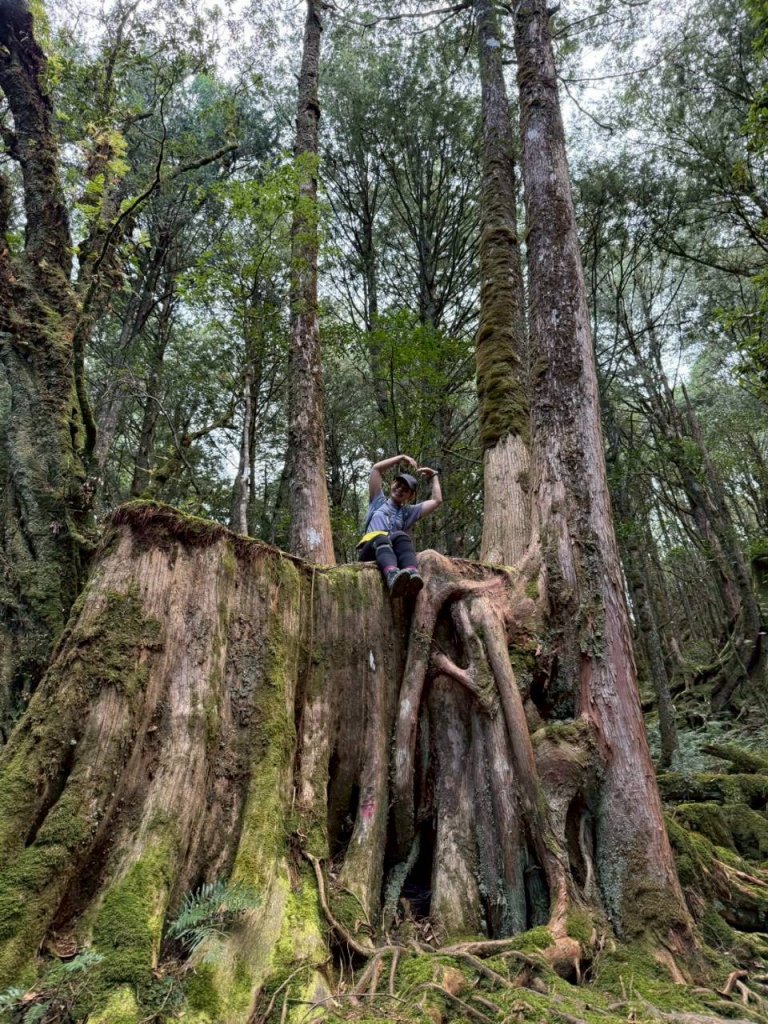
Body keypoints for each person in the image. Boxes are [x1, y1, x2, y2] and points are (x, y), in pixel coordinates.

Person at [357, 453, 442, 598]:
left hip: (392, 555)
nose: (400, 489)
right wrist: (401, 458)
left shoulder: (407, 513)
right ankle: (392, 575)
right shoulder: (377, 501)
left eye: (405, 489)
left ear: (410, 496)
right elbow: (376, 469)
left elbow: (436, 501)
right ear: (392, 484)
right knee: (381, 537)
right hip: (370, 551)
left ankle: (412, 575)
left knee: (401, 536)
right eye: (398, 484)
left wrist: (434, 476)